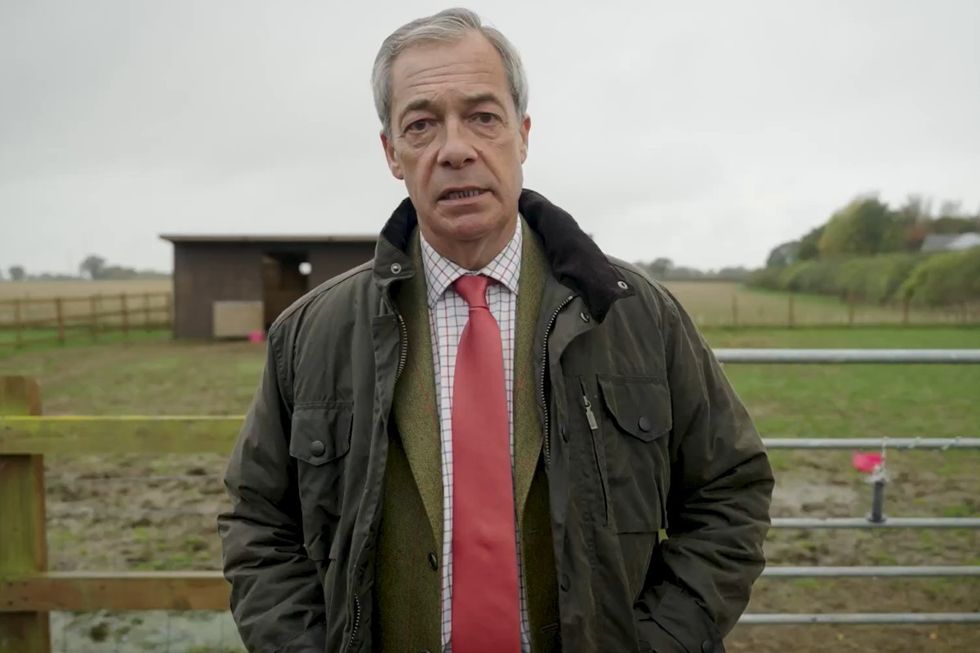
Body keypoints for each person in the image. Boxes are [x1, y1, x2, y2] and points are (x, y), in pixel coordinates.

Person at [218, 8, 773, 653]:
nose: (455, 149)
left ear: (524, 134)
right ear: (391, 153)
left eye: (483, 116)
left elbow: (729, 494)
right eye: (421, 124)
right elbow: (258, 523)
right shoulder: (309, 336)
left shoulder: (638, 316)